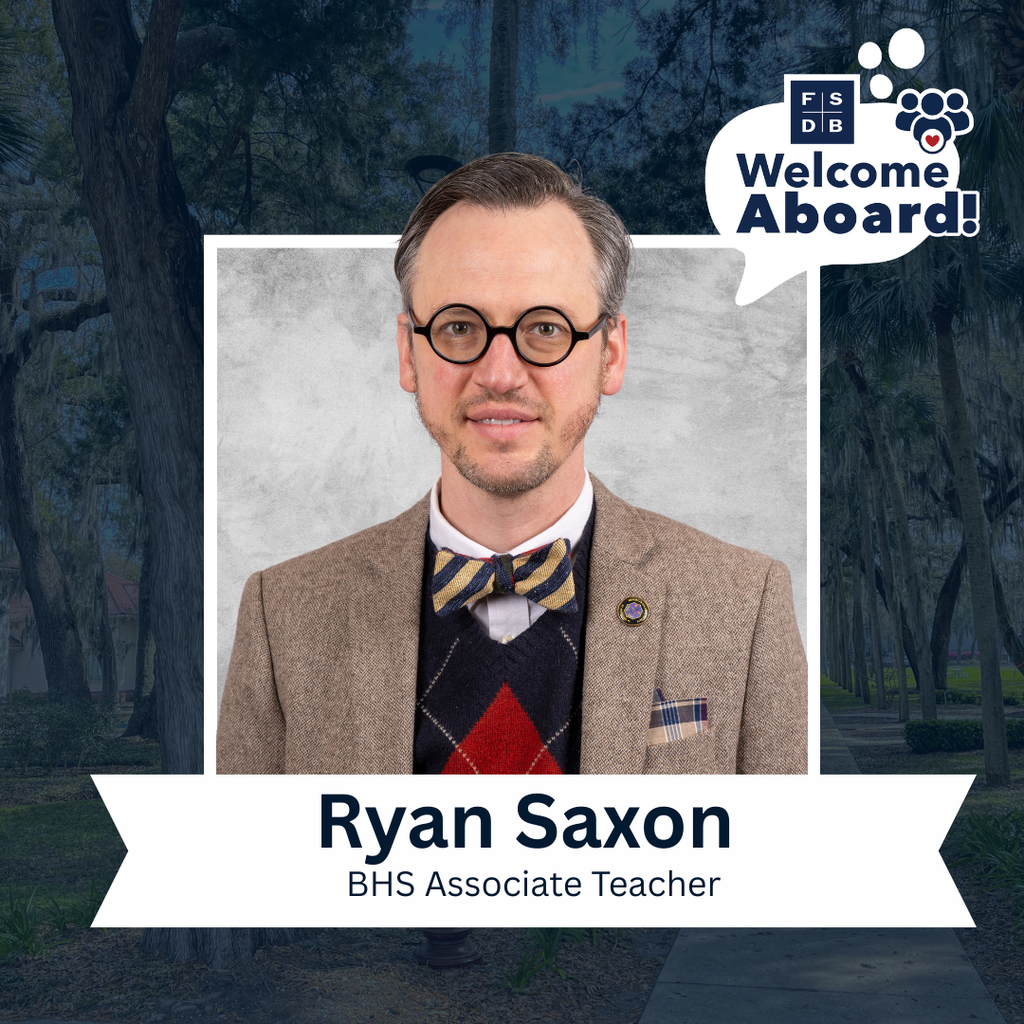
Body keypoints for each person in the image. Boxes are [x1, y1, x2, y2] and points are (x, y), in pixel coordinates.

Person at [217, 152, 807, 776]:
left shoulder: (745, 607)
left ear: (611, 354)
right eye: (459, 327)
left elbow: (782, 872)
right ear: (408, 353)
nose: (499, 375)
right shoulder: (280, 617)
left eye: (546, 329)